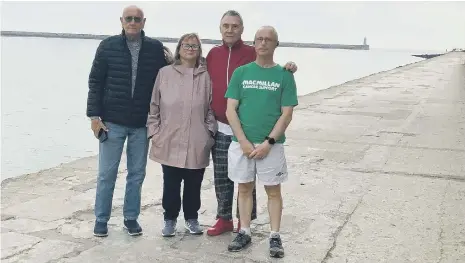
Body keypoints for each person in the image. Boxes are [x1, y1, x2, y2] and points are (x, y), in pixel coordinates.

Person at [206, 10, 298, 236]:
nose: (230, 30)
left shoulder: (253, 54)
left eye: (234, 26)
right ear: (220, 28)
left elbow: (271, 73)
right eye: (226, 25)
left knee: (253, 183)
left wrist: (291, 66)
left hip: (256, 132)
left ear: (242, 30)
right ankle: (225, 218)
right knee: (225, 177)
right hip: (222, 124)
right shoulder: (212, 54)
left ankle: (245, 223)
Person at [86, 5, 168, 237]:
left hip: (141, 123)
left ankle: (130, 218)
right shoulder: (107, 46)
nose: (133, 22)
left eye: (137, 19)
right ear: (121, 21)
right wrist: (94, 116)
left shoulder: (154, 48)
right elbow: (95, 82)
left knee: (136, 174)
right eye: (129, 18)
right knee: (106, 174)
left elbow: (166, 80)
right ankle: (101, 219)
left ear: (144, 22)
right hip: (111, 122)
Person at [225, 26, 298, 258]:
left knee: (273, 191)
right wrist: (244, 141)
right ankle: (244, 231)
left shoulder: (284, 76)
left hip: (272, 146)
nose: (263, 43)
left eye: (268, 40)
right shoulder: (241, 73)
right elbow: (230, 110)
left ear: (276, 44)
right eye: (259, 39)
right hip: (242, 144)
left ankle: (274, 236)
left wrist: (268, 142)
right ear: (253, 43)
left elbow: (286, 114)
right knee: (244, 188)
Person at [147, 33, 218, 237]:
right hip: (169, 138)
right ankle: (169, 219)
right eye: (186, 45)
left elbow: (212, 107)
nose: (190, 48)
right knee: (170, 182)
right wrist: (155, 132)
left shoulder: (206, 76)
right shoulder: (165, 73)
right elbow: (154, 105)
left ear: (199, 50)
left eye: (195, 46)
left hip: (197, 139)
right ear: (178, 48)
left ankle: (192, 218)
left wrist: (208, 132)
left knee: (194, 183)